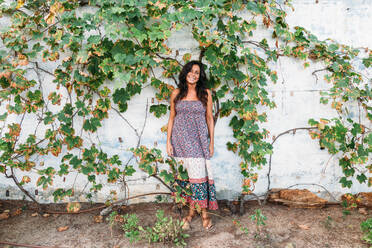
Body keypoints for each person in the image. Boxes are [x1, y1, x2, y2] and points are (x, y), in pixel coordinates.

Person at [166, 60, 218, 230]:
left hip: (198, 141)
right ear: (185, 72)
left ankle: (204, 214)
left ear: (200, 76)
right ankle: (190, 213)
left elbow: (209, 118)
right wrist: (168, 142)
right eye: (191, 71)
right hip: (179, 141)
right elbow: (172, 118)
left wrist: (211, 142)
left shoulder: (206, 94)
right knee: (187, 179)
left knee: (199, 179)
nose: (193, 74)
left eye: (197, 72)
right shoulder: (176, 93)